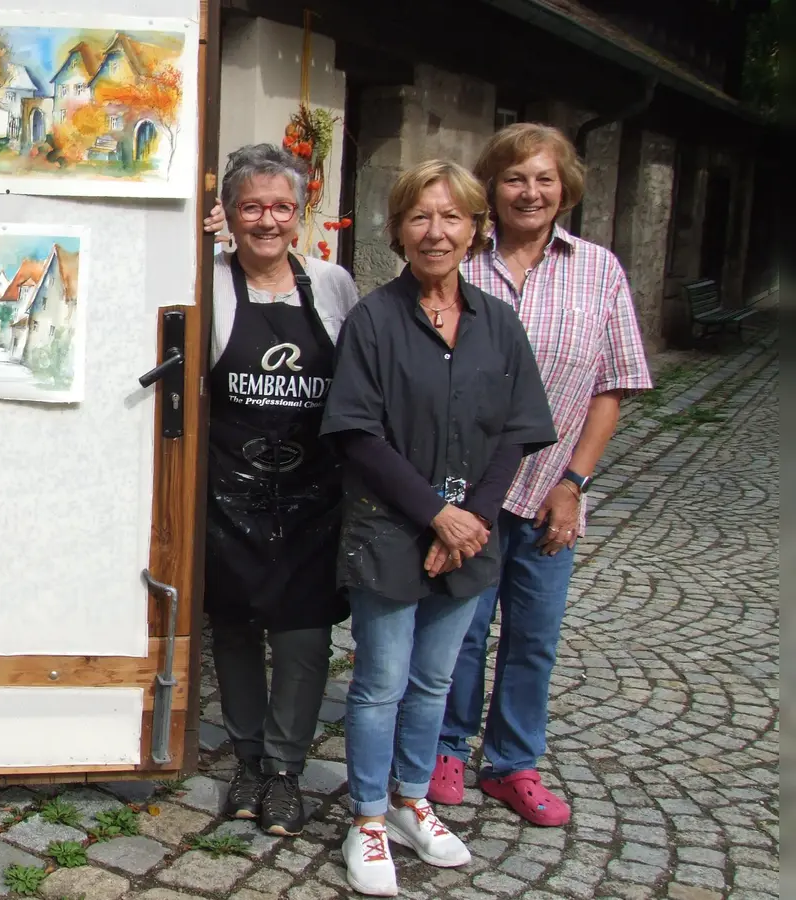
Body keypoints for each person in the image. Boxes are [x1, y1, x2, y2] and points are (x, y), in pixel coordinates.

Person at [319, 160, 558, 896]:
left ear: (475, 229)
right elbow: (358, 435)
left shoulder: (498, 322)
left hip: (469, 538)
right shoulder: (374, 321)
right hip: (390, 529)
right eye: (421, 217)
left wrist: (473, 521)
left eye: (453, 217)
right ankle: (366, 816)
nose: (437, 232)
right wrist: (437, 515)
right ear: (398, 230)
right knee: (380, 683)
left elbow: (518, 432)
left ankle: (411, 801)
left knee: (433, 682)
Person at [432, 124, 652, 826]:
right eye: (515, 178)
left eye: (544, 179)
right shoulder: (460, 266)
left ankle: (513, 763)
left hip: (550, 491)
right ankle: (445, 746)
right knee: (459, 629)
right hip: (465, 493)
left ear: (565, 189)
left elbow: (609, 388)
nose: (530, 191)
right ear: (491, 189)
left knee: (533, 634)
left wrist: (574, 485)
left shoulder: (599, 270)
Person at [201, 144, 361, 834]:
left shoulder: (331, 284)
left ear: (300, 217)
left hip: (312, 498)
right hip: (229, 497)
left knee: (302, 641)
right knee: (234, 634)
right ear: (230, 216)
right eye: (251, 207)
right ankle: (245, 762)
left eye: (281, 207)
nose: (267, 221)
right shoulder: (206, 280)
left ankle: (286, 771)